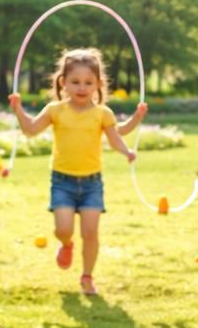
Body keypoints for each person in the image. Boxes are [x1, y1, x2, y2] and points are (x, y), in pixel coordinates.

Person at [9, 49, 146, 296]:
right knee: (63, 229)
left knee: (91, 232)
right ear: (63, 83)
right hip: (62, 182)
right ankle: (66, 244)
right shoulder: (55, 110)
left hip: (92, 183)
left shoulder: (102, 113)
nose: (82, 87)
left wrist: (129, 144)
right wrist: (18, 109)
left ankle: (87, 276)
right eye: (75, 82)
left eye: (88, 82)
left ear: (98, 85)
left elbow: (117, 136)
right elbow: (30, 129)